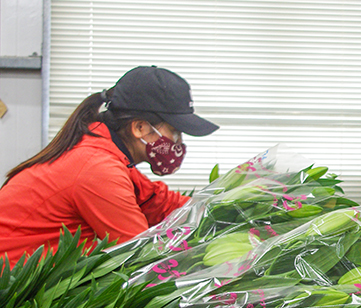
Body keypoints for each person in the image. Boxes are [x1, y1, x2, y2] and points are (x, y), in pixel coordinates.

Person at [0, 66, 218, 267]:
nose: (178, 142)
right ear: (140, 127)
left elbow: (161, 204)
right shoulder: (96, 168)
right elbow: (138, 256)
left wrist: (227, 208)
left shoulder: (106, 152)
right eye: (175, 131)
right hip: (12, 293)